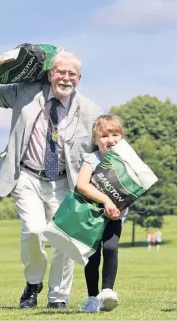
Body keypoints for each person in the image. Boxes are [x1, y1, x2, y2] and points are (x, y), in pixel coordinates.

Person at [0, 51, 102, 309]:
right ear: (49, 74)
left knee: (64, 239)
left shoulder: (91, 111)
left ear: (79, 78)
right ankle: (33, 282)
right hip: (26, 175)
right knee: (33, 230)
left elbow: (102, 149)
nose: (66, 78)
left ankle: (58, 297)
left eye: (72, 74)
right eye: (61, 72)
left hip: (65, 182)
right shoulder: (26, 93)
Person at [77, 115, 127, 313]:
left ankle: (107, 291)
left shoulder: (126, 161)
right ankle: (91, 297)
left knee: (111, 248)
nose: (110, 139)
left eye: (115, 134)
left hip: (115, 216)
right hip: (91, 215)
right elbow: (82, 185)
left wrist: (119, 208)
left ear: (122, 137)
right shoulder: (92, 159)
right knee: (93, 255)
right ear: (96, 140)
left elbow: (136, 187)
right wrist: (106, 200)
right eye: (104, 135)